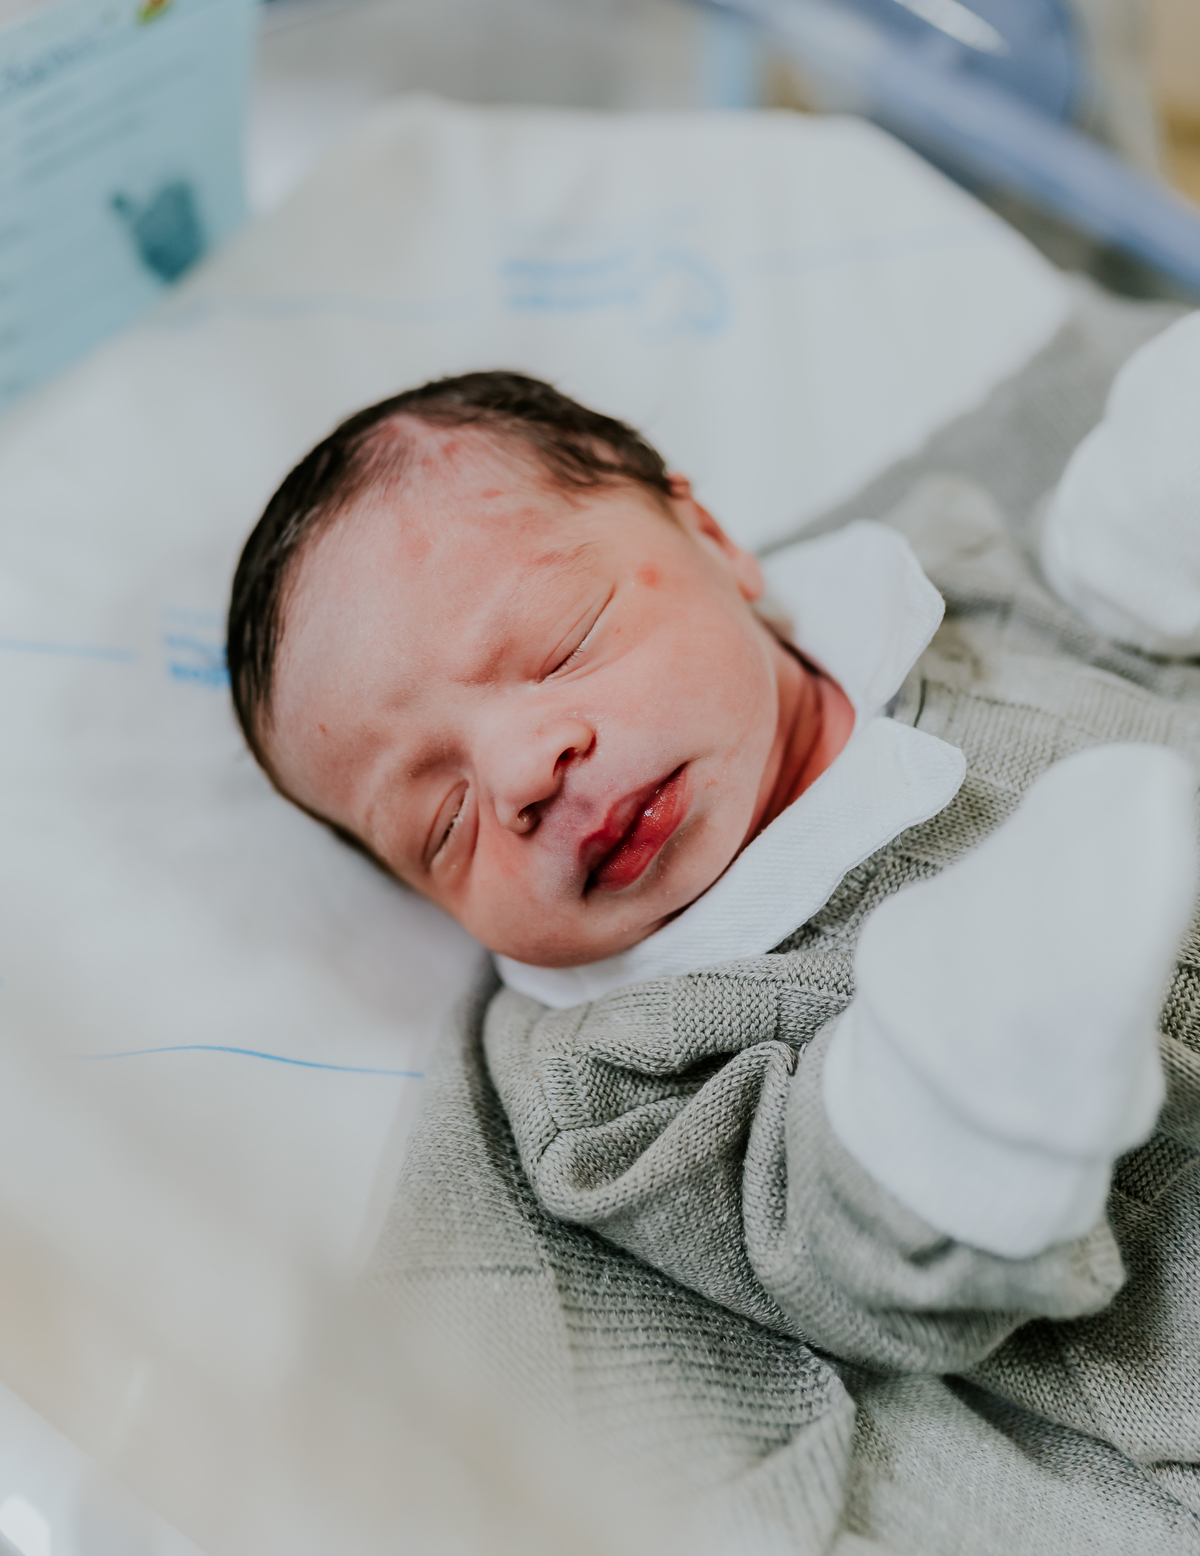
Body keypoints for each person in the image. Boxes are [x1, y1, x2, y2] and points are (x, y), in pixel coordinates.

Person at [227, 322, 1200, 1553]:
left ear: (716, 542)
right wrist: (946, 1092)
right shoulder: (605, 1069)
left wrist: (1135, 541)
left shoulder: (931, 591)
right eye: (446, 821)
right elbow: (826, 1239)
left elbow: (1100, 635)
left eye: (562, 640)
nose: (525, 771)